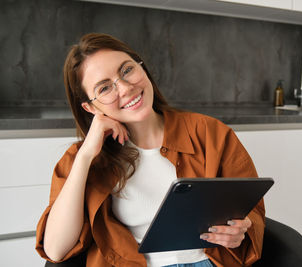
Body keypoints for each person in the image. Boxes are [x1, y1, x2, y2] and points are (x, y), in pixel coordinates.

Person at [35, 33, 265, 267]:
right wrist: (85, 156)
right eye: (104, 88)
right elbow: (56, 249)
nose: (125, 88)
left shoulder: (210, 132)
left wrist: (241, 228)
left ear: (142, 68)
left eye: (127, 70)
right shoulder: (82, 158)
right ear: (90, 107)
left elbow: (251, 212)